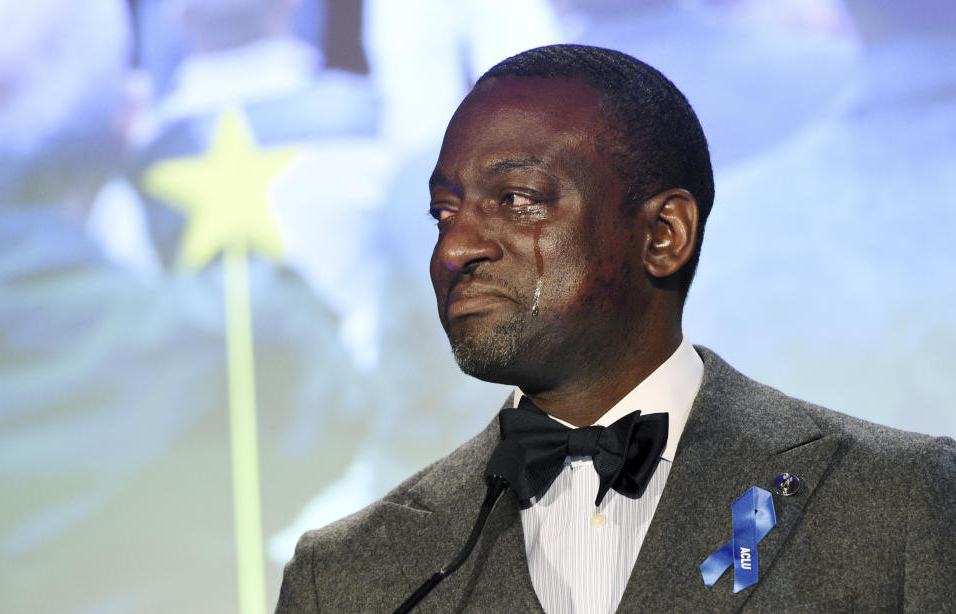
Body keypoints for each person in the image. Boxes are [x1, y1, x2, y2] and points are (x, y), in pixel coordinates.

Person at [274, 44, 956, 613]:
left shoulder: (895, 501)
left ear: (664, 235)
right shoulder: (346, 575)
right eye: (443, 213)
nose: (454, 249)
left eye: (516, 200)